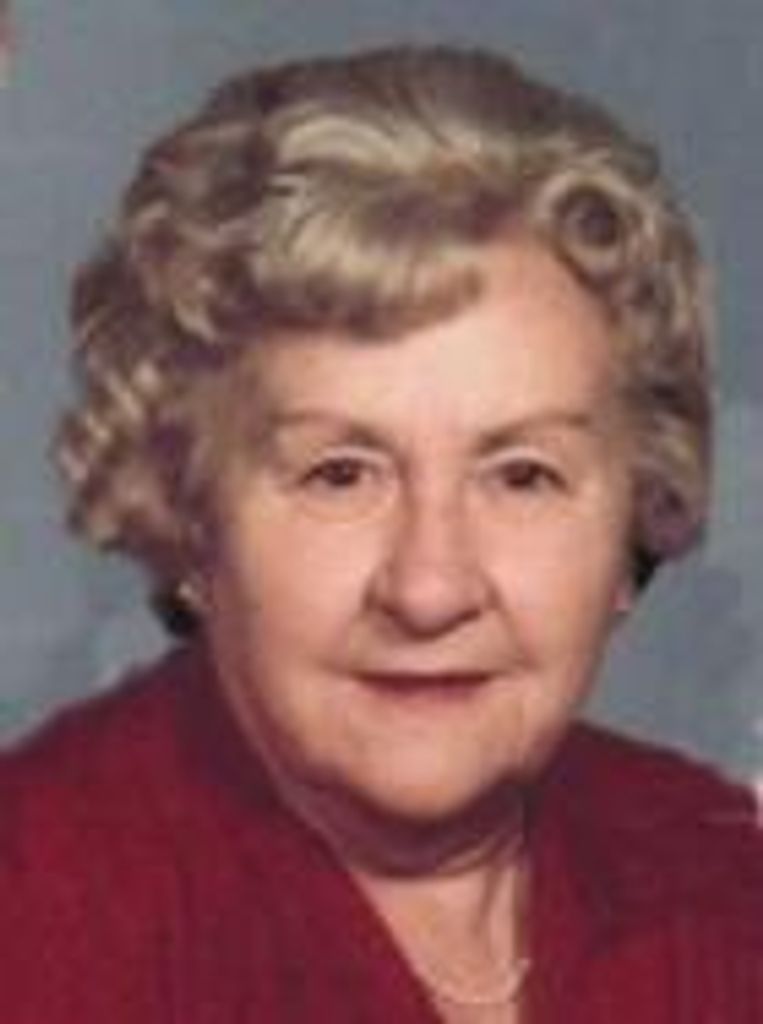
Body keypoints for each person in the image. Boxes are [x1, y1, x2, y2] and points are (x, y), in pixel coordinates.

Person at [1, 44, 760, 1023]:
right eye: (340, 474)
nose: (429, 588)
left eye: (522, 475)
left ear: (635, 520)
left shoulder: (715, 868)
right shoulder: (36, 915)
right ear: (185, 515)